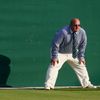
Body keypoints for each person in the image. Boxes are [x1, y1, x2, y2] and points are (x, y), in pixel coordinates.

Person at [44, 18, 96, 90]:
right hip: (60, 53)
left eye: (79, 25)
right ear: (71, 25)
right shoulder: (63, 32)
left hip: (73, 53)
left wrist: (81, 57)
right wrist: (54, 57)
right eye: (75, 25)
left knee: (81, 66)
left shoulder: (82, 32)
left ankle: (86, 83)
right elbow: (55, 44)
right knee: (54, 66)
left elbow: (82, 45)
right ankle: (48, 85)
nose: (77, 27)